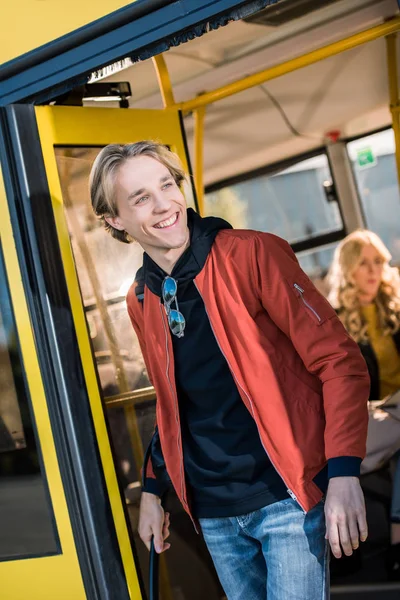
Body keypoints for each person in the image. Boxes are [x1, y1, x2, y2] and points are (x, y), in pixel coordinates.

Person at [90, 141, 370, 600]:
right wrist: (154, 491)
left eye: (167, 185)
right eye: (141, 197)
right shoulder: (141, 299)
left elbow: (339, 362)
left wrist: (343, 473)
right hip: (214, 514)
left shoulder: (254, 254)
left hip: (288, 497)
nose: (165, 205)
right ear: (115, 220)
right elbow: (171, 401)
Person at [327, 229, 400, 580]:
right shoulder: (334, 321)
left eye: (378, 263)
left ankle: (398, 539)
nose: (373, 271)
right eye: (363, 264)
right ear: (348, 271)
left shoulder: (395, 311)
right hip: (369, 418)